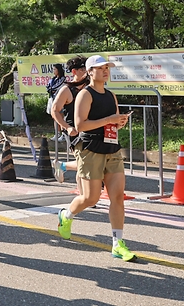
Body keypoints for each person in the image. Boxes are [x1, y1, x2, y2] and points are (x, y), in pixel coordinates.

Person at [56, 55, 134, 261]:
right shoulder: (85, 94)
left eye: (107, 67)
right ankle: (67, 215)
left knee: (117, 196)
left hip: (112, 147)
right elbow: (81, 125)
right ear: (90, 72)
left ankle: (118, 243)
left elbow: (113, 121)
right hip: (90, 148)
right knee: (91, 198)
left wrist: (119, 122)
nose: (105, 71)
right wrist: (109, 119)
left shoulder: (111, 95)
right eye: (100, 68)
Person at [49, 56, 88, 188]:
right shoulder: (67, 89)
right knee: (84, 162)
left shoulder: (91, 87)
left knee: (87, 162)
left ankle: (63, 166)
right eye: (83, 69)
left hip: (92, 128)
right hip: (75, 131)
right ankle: (85, 197)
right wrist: (67, 127)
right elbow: (55, 110)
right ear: (74, 72)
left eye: (88, 68)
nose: (87, 72)